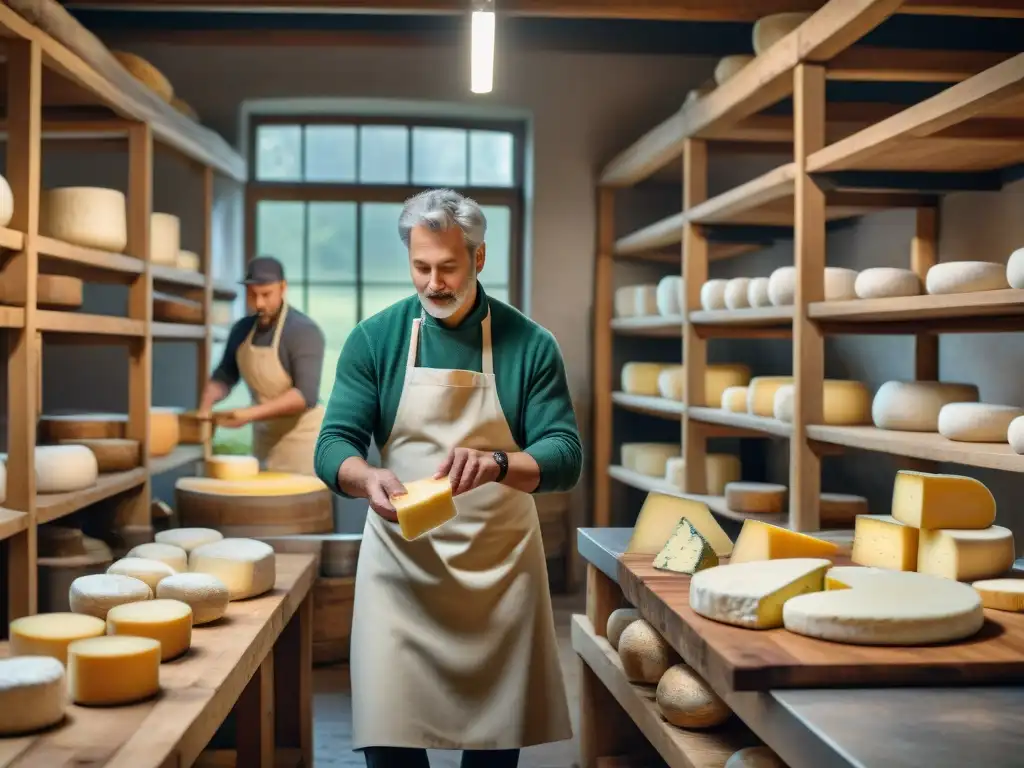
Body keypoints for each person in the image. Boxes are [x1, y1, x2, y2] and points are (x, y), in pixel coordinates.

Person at [315, 189, 582, 768]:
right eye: (420, 267)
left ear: (479, 259)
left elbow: (564, 455)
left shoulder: (529, 344)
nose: (433, 282)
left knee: (492, 749)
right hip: (401, 569)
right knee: (390, 739)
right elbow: (333, 444)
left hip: (499, 570)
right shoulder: (375, 339)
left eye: (448, 267)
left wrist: (499, 464)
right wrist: (366, 478)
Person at [199, 255, 326, 475]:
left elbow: (305, 396)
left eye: (266, 295)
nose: (259, 303)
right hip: (265, 441)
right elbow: (225, 375)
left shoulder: (303, 331)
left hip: (304, 444)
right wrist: (207, 402)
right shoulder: (242, 330)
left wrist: (249, 414)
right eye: (252, 295)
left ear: (283, 287)